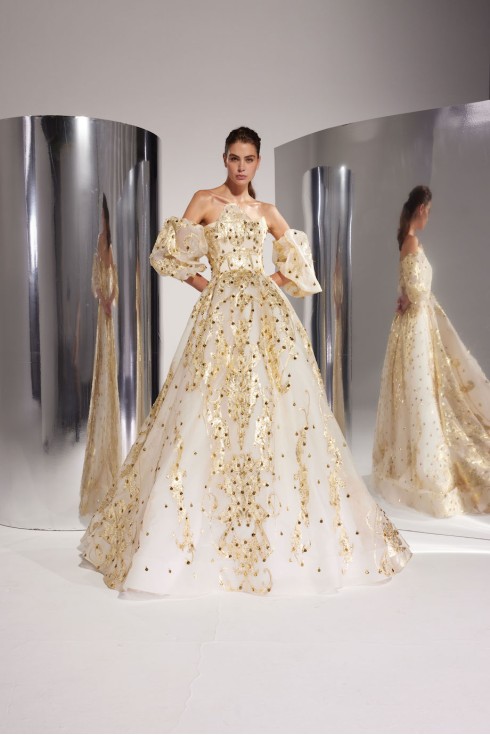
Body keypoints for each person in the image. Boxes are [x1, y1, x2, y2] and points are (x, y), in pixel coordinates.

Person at [80, 127, 410, 596]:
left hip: (265, 317)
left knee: (273, 408)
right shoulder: (204, 200)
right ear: (224, 158)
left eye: (249, 159)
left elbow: (300, 264)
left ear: (257, 162)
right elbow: (167, 254)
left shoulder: (267, 211)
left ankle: (276, 530)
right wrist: (209, 286)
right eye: (234, 158)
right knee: (203, 407)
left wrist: (264, 282)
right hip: (218, 316)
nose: (240, 166)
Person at [373, 185, 490, 517]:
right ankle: (425, 465)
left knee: (421, 390)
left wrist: (405, 298)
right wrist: (410, 298)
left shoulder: (408, 242)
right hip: (416, 325)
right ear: (422, 209)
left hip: (414, 323)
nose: (429, 217)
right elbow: (416, 289)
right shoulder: (411, 242)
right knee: (421, 391)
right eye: (430, 211)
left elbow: (407, 289)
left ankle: (418, 457)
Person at [79, 194, 121, 519]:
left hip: (109, 313)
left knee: (111, 366)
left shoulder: (111, 247)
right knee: (102, 365)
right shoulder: (99, 244)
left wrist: (111, 298)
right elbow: (98, 279)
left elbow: (113, 279)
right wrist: (102, 297)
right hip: (102, 314)